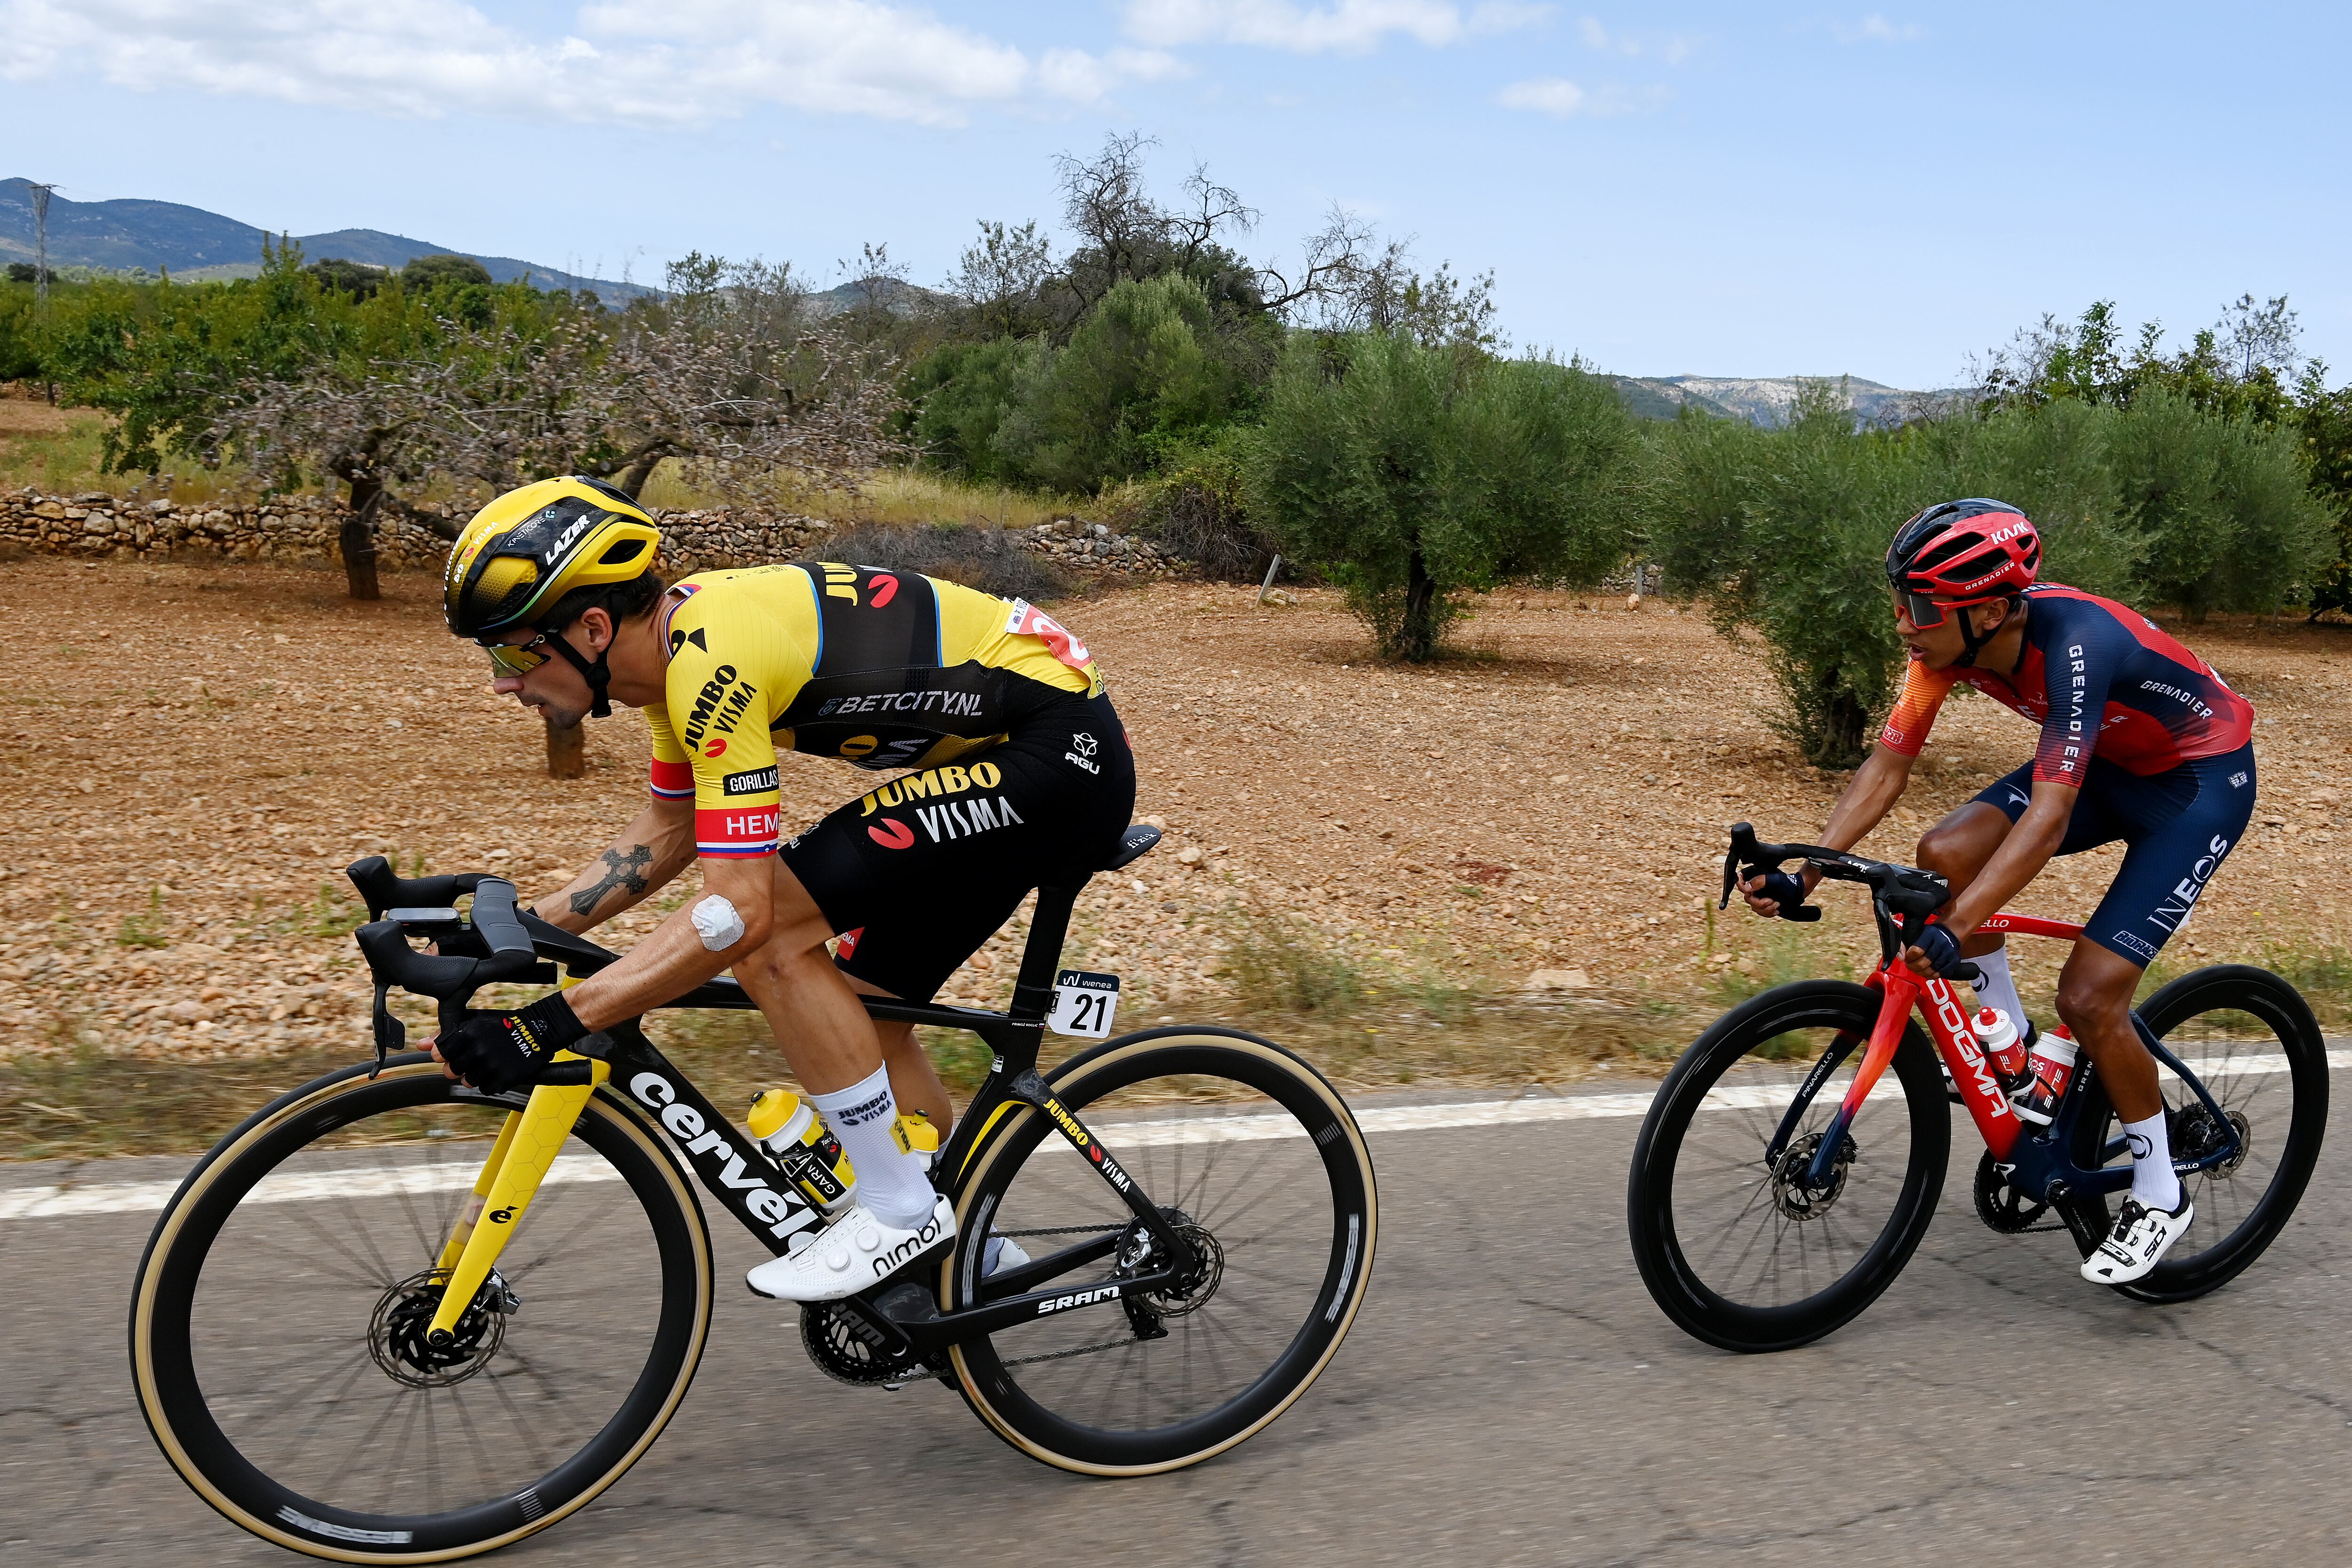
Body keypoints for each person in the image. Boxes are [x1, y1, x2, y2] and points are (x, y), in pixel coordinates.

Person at [427, 476, 1136, 1300]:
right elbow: (667, 833)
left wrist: (547, 1024)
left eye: (514, 652)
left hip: (1055, 756)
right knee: (865, 1011)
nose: (502, 682)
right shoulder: (665, 661)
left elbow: (738, 914)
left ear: (591, 627)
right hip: (1017, 760)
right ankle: (961, 1250)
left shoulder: (709, 658)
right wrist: (514, 927)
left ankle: (901, 1211)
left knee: (767, 941)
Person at [1740, 498, 2256, 1285]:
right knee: (1943, 852)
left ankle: (2159, 1189)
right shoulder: (1944, 649)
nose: (1904, 624)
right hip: (2113, 768)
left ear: (1986, 610)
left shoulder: (2078, 646)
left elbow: (2047, 818)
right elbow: (1887, 767)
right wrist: (1807, 867)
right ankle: (2014, 1056)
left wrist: (1960, 923)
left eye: (1919, 607)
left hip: (2197, 785)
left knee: (2089, 995)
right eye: (1900, 602)